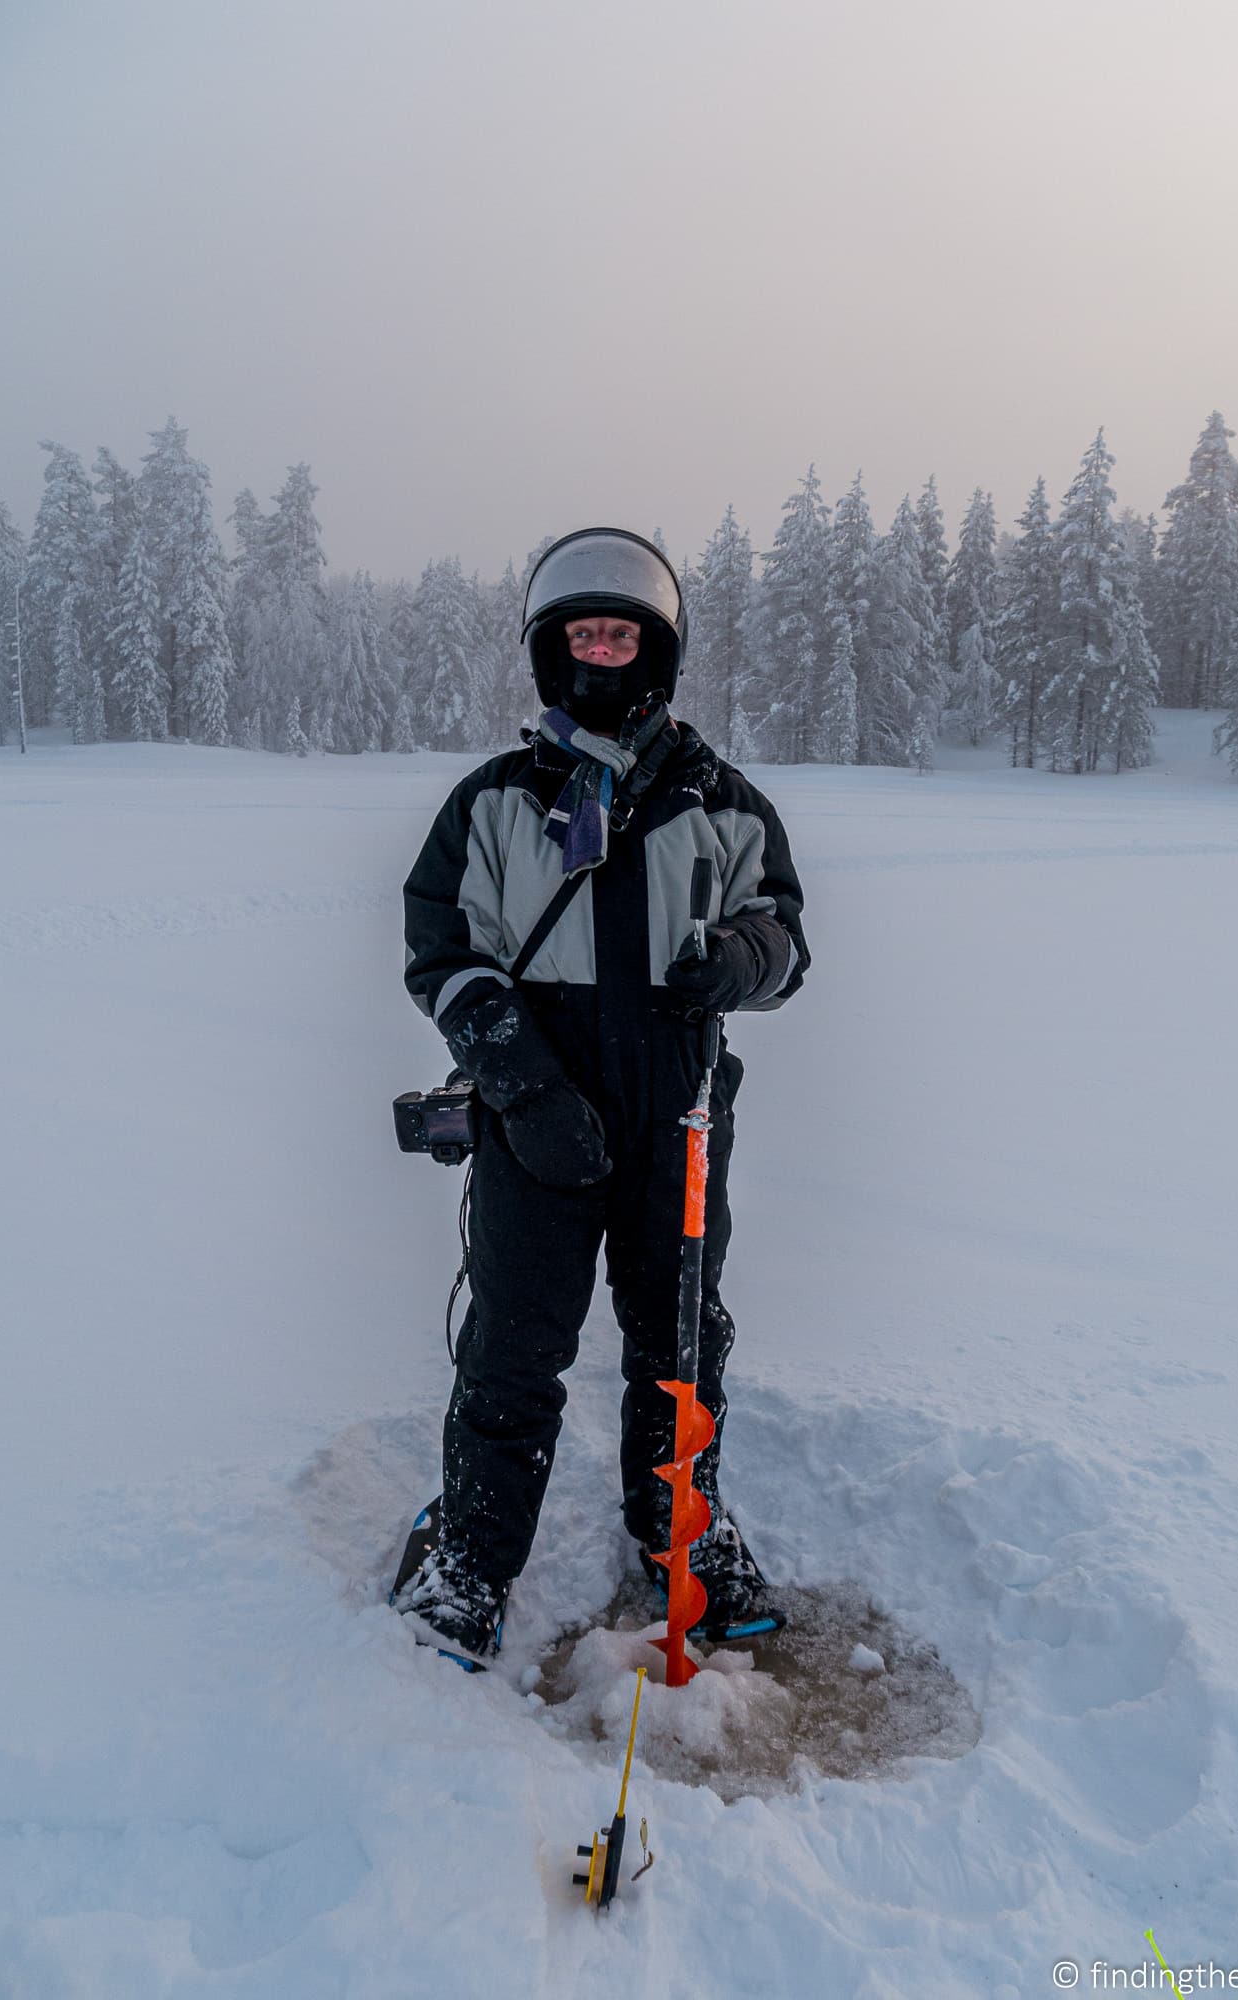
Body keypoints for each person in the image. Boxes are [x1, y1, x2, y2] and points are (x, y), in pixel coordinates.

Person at [396, 527, 809, 1667]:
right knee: (514, 1343)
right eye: (583, 632)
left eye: (621, 632)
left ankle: (684, 1535)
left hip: (676, 1112)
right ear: (549, 649)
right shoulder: (492, 804)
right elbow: (442, 950)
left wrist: (741, 957)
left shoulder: (721, 801)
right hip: (538, 1111)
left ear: (657, 649)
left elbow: (787, 934)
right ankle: (472, 1557)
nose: (602, 651)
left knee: (680, 1339)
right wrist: (523, 1087)